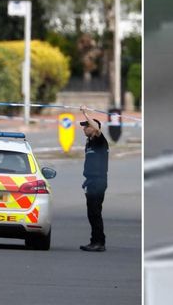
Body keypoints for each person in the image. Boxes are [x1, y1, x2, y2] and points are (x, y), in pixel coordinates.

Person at [79, 105, 109, 252]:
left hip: (98, 182)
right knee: (92, 213)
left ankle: (99, 242)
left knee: (95, 212)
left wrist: (85, 113)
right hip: (91, 182)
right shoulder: (90, 142)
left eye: (86, 126)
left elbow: (97, 128)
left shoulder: (99, 140)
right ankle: (95, 240)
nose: (84, 129)